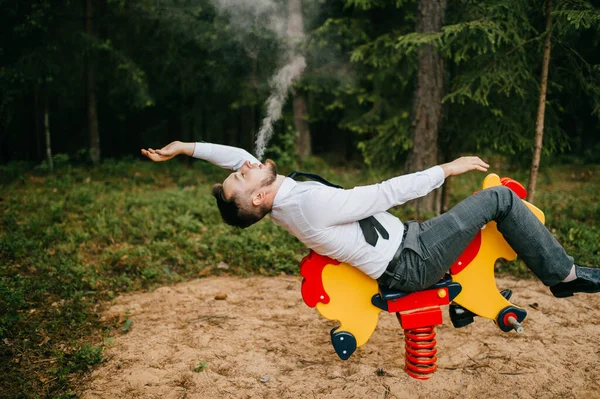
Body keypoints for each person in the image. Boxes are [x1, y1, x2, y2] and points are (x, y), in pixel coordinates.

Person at [141, 141, 599, 298]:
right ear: (258, 196)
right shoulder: (304, 206)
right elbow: (384, 192)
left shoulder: (277, 198)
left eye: (236, 172)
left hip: (412, 238)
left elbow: (239, 156)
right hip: (412, 262)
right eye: (239, 178)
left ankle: (556, 271)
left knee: (496, 201)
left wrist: (184, 148)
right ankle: (564, 275)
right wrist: (448, 168)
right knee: (499, 197)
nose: (241, 165)